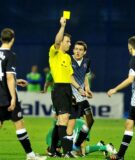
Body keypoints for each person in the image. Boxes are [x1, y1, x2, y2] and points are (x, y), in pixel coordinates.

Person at [0, 28, 46, 160]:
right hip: (6, 96)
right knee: (19, 122)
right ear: (13, 39)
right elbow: (8, 77)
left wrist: (15, 80)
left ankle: (31, 155)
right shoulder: (10, 55)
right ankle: (30, 155)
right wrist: (13, 97)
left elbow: (4, 76)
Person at [48, 17, 85, 158]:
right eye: (68, 41)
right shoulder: (54, 53)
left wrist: (79, 89)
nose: (70, 44)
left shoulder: (68, 58)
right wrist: (62, 26)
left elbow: (70, 77)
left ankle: (52, 150)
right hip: (58, 89)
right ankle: (67, 151)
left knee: (60, 122)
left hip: (67, 89)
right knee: (63, 121)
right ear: (62, 43)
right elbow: (57, 41)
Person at [46, 118, 116, 157]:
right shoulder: (54, 138)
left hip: (81, 126)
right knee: (74, 152)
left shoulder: (52, 137)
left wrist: (82, 154)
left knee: (79, 151)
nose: (58, 150)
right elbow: (59, 149)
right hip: (74, 127)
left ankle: (107, 147)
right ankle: (99, 146)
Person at [70, 41, 94, 150]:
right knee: (74, 122)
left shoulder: (87, 61)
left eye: (80, 49)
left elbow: (85, 76)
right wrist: (79, 89)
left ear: (84, 52)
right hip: (71, 97)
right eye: (76, 49)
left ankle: (77, 144)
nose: (77, 51)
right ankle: (68, 146)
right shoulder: (68, 60)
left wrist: (87, 89)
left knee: (90, 121)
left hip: (82, 96)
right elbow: (68, 77)